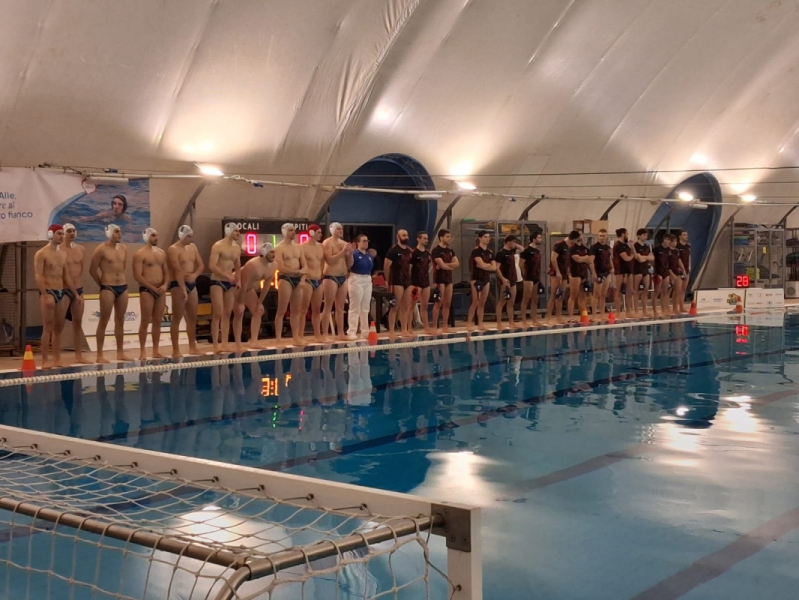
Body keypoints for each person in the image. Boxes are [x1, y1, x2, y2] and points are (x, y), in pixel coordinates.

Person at [34, 225, 80, 369]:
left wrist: (75, 293)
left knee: (58, 328)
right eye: (59, 234)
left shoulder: (63, 254)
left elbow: (66, 276)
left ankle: (57, 359)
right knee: (47, 327)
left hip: (61, 291)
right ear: (51, 234)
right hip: (49, 292)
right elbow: (38, 275)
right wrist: (45, 294)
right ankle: (44, 361)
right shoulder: (41, 253)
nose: (61, 236)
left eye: (62, 234)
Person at [89, 223, 131, 363]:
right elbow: (92, 270)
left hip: (123, 287)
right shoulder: (101, 249)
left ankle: (120, 353)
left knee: (120, 320)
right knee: (104, 320)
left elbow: (122, 267)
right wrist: (102, 284)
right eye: (117, 232)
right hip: (108, 287)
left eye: (120, 231)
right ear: (109, 233)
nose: (120, 234)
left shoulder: (124, 248)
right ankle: (99, 355)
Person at [167, 225, 204, 358]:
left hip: (191, 284)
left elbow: (201, 265)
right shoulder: (173, 249)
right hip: (177, 284)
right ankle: (175, 350)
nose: (191, 239)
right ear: (182, 236)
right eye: (188, 236)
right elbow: (177, 270)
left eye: (191, 236)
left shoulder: (193, 247)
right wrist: (183, 288)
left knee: (192, 317)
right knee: (177, 318)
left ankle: (192, 347)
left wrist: (194, 275)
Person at [132, 228, 168, 361]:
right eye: (153, 235)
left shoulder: (162, 253)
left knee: (158, 320)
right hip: (147, 290)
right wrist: (152, 287)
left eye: (156, 235)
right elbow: (138, 276)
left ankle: (155, 350)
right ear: (146, 237)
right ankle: (142, 351)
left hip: (160, 290)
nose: (156, 238)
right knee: (145, 320)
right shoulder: (140, 254)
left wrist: (165, 285)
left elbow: (166, 272)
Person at [234, 242, 277, 351]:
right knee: (239, 313)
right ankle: (238, 344)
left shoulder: (274, 265)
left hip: (248, 289)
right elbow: (243, 284)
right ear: (264, 252)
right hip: (234, 287)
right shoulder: (252, 264)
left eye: (274, 252)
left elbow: (266, 286)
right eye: (271, 252)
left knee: (259, 311)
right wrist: (241, 303)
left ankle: (254, 342)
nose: (274, 255)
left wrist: (260, 302)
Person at [208, 222, 242, 353]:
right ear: (228, 232)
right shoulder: (218, 246)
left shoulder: (237, 248)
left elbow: (237, 266)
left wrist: (238, 280)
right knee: (218, 312)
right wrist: (227, 276)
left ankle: (225, 343)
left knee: (227, 313)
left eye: (238, 231)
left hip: (230, 283)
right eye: (236, 231)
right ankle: (215, 345)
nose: (238, 233)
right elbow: (212, 266)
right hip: (217, 281)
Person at [62, 223, 91, 364]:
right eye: (69, 231)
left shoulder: (81, 249)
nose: (72, 233)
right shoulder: (59, 250)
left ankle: (78, 355)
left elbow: (81, 269)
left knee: (78, 323)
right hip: (63, 289)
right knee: (58, 325)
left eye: (73, 231)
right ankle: (56, 357)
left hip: (78, 289)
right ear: (63, 233)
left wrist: (77, 287)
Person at [274, 223, 306, 346]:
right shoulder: (279, 248)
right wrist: (297, 272)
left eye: (294, 230)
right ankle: (278, 339)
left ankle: (296, 338)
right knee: (281, 310)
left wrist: (303, 279)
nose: (294, 232)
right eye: (291, 230)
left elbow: (305, 266)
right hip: (285, 279)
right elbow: (280, 267)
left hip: (298, 280)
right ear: (284, 232)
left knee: (296, 311)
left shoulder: (299, 247)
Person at [321, 222, 352, 341]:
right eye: (338, 229)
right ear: (332, 230)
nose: (341, 231)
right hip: (330, 277)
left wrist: (350, 254)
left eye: (341, 229)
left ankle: (341, 333)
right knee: (328, 306)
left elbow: (349, 264)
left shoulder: (344, 244)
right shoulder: (327, 243)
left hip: (342, 277)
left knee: (340, 307)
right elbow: (329, 261)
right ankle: (325, 334)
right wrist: (343, 252)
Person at [384, 229, 414, 336]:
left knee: (405, 307)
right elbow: (386, 266)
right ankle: (391, 331)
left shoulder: (409, 250)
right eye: (404, 235)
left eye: (407, 235)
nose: (406, 237)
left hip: (407, 281)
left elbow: (410, 266)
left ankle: (404, 329)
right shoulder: (393, 250)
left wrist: (410, 279)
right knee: (395, 306)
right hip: (396, 281)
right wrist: (388, 281)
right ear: (398, 237)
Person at [466, 230, 497, 332]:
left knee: (482, 302)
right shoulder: (476, 251)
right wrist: (487, 265)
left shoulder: (490, 252)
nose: (487, 239)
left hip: (486, 278)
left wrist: (485, 266)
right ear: (480, 238)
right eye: (485, 237)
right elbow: (480, 264)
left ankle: (480, 324)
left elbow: (494, 267)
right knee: (475, 301)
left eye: (488, 237)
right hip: (476, 278)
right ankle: (469, 323)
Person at [300, 224, 326, 343]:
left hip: (318, 280)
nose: (321, 234)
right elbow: (302, 266)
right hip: (308, 280)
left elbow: (322, 263)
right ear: (311, 233)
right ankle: (300, 335)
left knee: (317, 310)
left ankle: (317, 335)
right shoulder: (303, 247)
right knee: (303, 310)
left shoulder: (321, 246)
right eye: (319, 232)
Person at [430, 229, 459, 333]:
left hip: (448, 279)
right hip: (439, 279)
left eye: (449, 236)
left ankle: (445, 326)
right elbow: (441, 266)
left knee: (447, 303)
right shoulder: (436, 250)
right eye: (447, 236)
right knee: (439, 303)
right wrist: (449, 266)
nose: (449, 238)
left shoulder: (450, 250)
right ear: (441, 237)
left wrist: (446, 265)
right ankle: (434, 327)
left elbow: (457, 263)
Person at [347, 234, 374, 340]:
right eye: (363, 241)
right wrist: (349, 254)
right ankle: (351, 331)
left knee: (365, 307)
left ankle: (365, 331)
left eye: (367, 241)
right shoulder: (354, 254)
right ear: (357, 243)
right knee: (355, 307)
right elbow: (349, 265)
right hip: (356, 279)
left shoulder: (368, 255)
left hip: (367, 279)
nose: (366, 243)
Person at [546, 233, 574, 323]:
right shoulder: (559, 245)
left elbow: (567, 262)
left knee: (560, 296)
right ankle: (549, 317)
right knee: (553, 295)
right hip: (556, 273)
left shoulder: (568, 247)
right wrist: (557, 272)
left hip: (564, 274)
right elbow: (553, 258)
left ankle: (559, 317)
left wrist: (568, 274)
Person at [519, 230, 544, 327]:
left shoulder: (538, 251)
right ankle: (524, 320)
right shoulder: (526, 251)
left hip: (536, 277)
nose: (541, 239)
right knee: (526, 299)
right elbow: (521, 264)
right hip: (528, 277)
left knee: (535, 299)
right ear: (534, 239)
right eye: (539, 238)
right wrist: (524, 275)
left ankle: (534, 320)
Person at [566, 232, 592, 323]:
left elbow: (591, 260)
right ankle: (571, 317)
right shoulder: (572, 248)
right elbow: (577, 259)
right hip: (575, 273)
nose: (581, 237)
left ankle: (583, 316)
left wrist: (583, 258)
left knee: (582, 297)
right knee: (573, 295)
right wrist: (585, 257)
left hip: (584, 273)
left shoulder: (585, 248)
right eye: (579, 235)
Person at [410, 231, 433, 334]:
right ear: (418, 239)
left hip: (425, 282)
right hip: (416, 283)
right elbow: (409, 268)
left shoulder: (428, 253)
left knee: (425, 306)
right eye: (424, 238)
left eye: (427, 238)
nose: (426, 240)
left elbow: (428, 267)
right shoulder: (414, 253)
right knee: (412, 306)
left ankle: (426, 327)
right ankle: (408, 328)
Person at [495, 235, 519, 330]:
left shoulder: (512, 251)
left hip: (513, 279)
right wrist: (503, 279)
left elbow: (522, 249)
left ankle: (511, 322)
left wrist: (515, 244)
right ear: (507, 242)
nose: (515, 244)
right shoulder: (500, 253)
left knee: (511, 302)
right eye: (513, 242)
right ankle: (499, 323)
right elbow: (497, 268)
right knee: (502, 301)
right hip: (505, 280)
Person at [590, 229, 614, 320]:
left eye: (603, 236)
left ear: (606, 236)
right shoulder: (594, 247)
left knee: (603, 294)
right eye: (600, 236)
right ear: (598, 236)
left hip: (606, 272)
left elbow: (609, 259)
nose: (602, 237)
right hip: (598, 272)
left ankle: (602, 314)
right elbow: (591, 261)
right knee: (596, 294)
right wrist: (593, 273)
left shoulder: (607, 247)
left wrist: (612, 267)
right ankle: (594, 315)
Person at [612, 228, 635, 318]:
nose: (628, 235)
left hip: (628, 270)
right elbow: (626, 258)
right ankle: (618, 312)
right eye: (627, 234)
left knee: (630, 291)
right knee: (618, 291)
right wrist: (632, 256)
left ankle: (628, 311)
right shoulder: (618, 245)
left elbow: (633, 254)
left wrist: (632, 246)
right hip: (620, 271)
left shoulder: (626, 245)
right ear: (623, 234)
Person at [633, 228, 654, 317]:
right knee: (637, 291)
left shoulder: (646, 246)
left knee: (646, 290)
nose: (645, 236)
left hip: (645, 269)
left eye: (646, 235)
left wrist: (644, 257)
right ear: (639, 236)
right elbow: (639, 259)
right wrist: (646, 257)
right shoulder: (635, 246)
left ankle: (645, 310)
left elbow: (652, 258)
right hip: (637, 270)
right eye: (644, 235)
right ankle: (636, 311)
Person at [652, 234, 674, 318]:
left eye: (668, 240)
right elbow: (652, 260)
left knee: (664, 292)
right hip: (658, 272)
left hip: (665, 272)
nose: (666, 241)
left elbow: (669, 263)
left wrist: (670, 274)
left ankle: (663, 310)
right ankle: (655, 311)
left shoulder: (669, 250)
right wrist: (654, 271)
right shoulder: (656, 249)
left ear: (670, 241)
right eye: (665, 239)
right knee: (656, 292)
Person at [668, 235, 687, 315]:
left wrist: (683, 269)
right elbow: (666, 264)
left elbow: (679, 260)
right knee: (668, 292)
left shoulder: (676, 251)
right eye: (673, 241)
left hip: (676, 271)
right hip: (669, 271)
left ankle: (675, 308)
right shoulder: (667, 251)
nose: (675, 243)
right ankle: (667, 308)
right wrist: (671, 274)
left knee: (678, 291)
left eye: (676, 241)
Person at [675, 230, 691, 313]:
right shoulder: (677, 246)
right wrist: (682, 269)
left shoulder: (688, 246)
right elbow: (677, 259)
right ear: (680, 236)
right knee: (678, 290)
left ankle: (682, 307)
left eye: (686, 234)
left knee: (683, 289)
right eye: (684, 235)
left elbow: (689, 256)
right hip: (679, 269)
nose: (686, 236)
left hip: (686, 269)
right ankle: (676, 307)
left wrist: (689, 266)